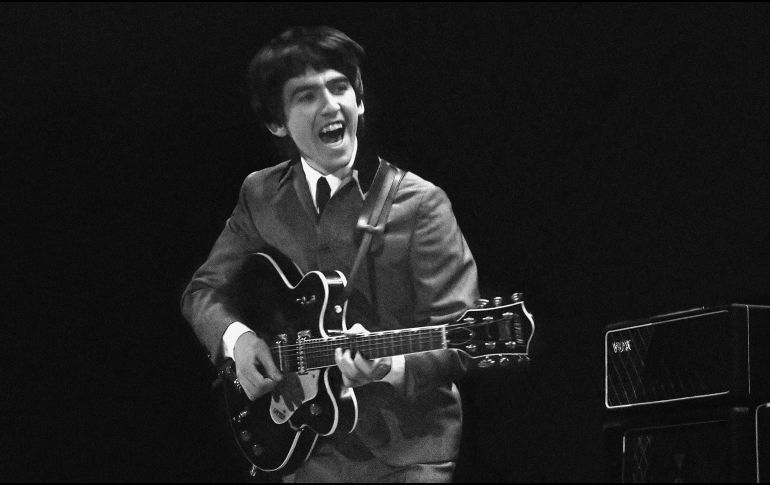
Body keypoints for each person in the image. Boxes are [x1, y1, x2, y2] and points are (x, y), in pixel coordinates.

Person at [181, 25, 479, 483]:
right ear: (276, 123)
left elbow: (462, 338)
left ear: (359, 100)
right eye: (305, 96)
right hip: (301, 447)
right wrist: (239, 341)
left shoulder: (421, 204)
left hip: (407, 455)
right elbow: (203, 292)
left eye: (340, 87)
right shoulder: (260, 194)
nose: (329, 105)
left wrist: (390, 366)